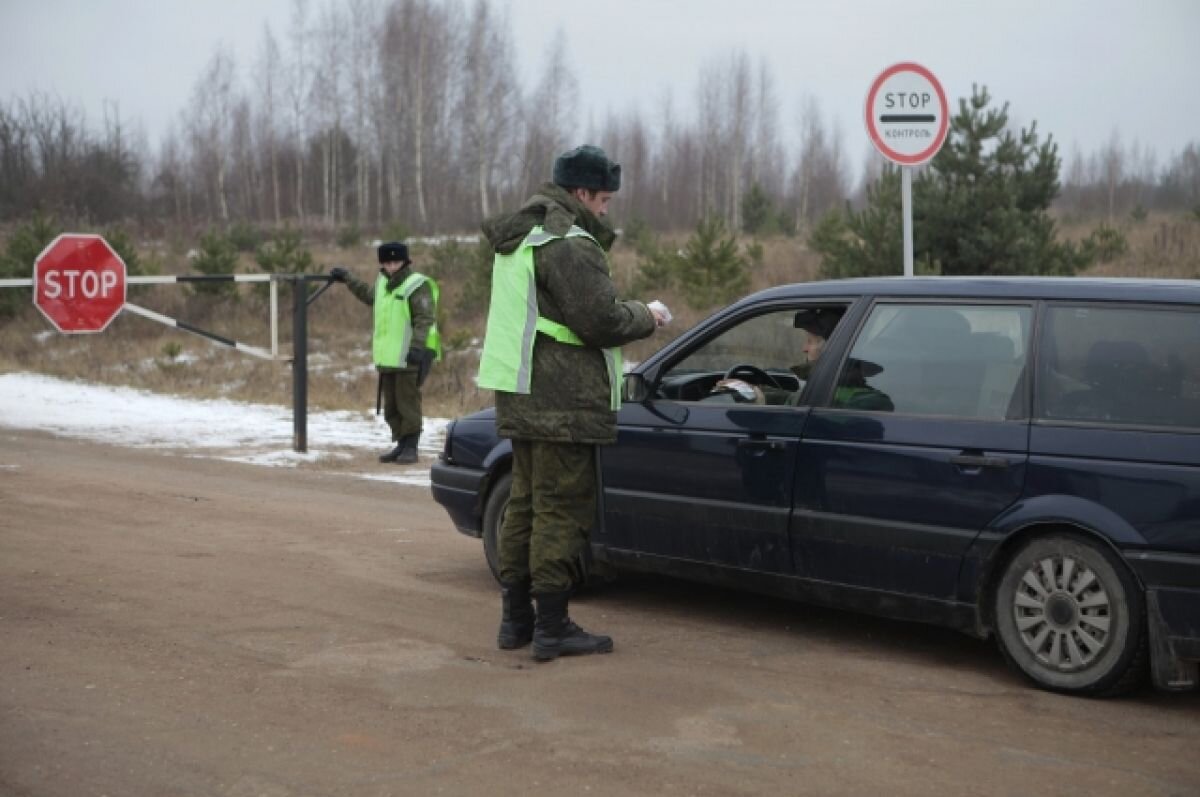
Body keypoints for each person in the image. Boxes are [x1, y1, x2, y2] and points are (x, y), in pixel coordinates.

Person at [477, 144, 669, 662]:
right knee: (560, 510)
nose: (607, 208)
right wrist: (647, 315)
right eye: (604, 199)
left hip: (522, 391)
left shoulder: (522, 236)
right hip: (562, 399)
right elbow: (599, 321)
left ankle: (516, 619)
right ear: (582, 193)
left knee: (525, 505)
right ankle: (553, 625)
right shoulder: (569, 242)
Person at [330, 242, 441, 464]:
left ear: (405, 262)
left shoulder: (416, 284)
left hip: (410, 357)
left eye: (396, 262)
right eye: (387, 263)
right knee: (391, 406)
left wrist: (417, 348)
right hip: (388, 358)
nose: (392, 266)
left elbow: (424, 319)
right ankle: (401, 444)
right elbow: (369, 295)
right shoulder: (382, 283)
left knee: (408, 403)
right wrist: (348, 279)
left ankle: (411, 447)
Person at [713, 308, 893, 411]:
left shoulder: (865, 401)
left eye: (810, 341)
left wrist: (760, 403)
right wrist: (755, 392)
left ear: (831, 350)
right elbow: (794, 400)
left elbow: (804, 418)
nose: (804, 348)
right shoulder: (835, 387)